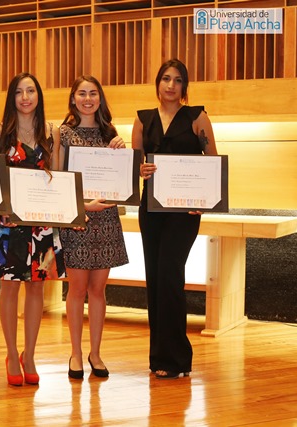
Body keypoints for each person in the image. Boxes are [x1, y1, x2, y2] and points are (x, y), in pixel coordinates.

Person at [131, 59, 218, 379]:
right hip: (151, 209)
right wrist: (140, 169)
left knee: (170, 274)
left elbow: (213, 163)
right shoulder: (142, 119)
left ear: (185, 86)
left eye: (178, 80)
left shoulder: (197, 117)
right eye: (166, 78)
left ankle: (178, 358)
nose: (171, 85)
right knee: (155, 278)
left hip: (184, 212)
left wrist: (205, 201)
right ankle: (159, 358)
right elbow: (135, 165)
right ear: (158, 83)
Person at [0, 72, 64, 386]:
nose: (25, 97)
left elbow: (58, 174)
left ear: (38, 95)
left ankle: (29, 354)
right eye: (19, 92)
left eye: (31, 91)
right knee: (9, 287)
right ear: (12, 98)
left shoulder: (52, 131)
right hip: (9, 221)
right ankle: (10, 352)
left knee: (36, 288)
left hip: (43, 222)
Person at [58, 76, 129, 379]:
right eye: (82, 93)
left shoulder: (111, 133)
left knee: (98, 290)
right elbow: (57, 177)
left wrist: (123, 153)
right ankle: (75, 353)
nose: (88, 99)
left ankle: (95, 353)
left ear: (100, 98)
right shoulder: (63, 134)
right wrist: (83, 207)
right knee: (76, 290)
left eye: (93, 94)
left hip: (107, 221)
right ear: (73, 98)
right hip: (79, 219)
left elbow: (123, 178)